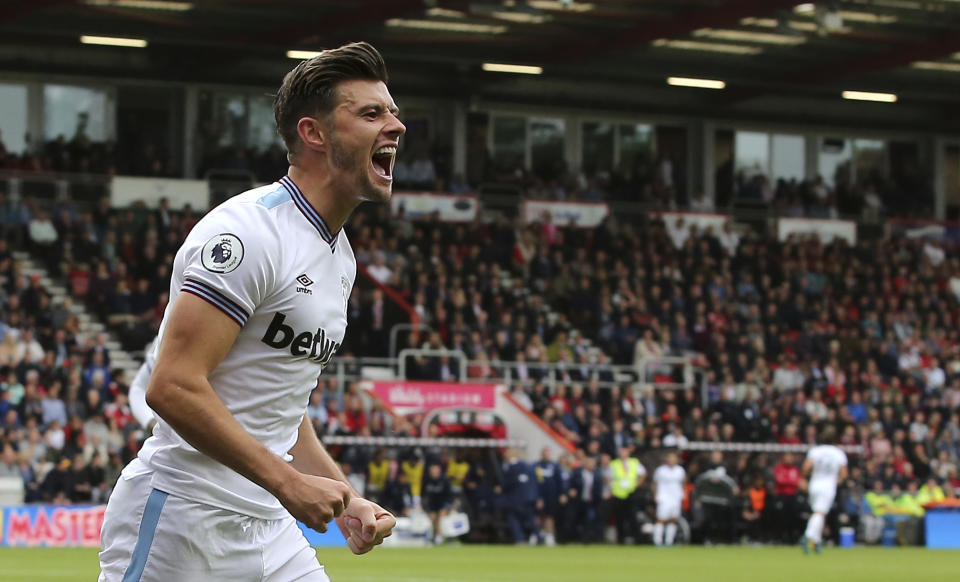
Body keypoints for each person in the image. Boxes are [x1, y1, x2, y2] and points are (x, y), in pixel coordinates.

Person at [98, 42, 405, 582]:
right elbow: (172, 386)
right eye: (371, 113)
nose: (395, 126)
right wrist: (288, 483)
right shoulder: (248, 233)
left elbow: (281, 403)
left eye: (393, 112)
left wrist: (346, 498)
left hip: (271, 528)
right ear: (313, 133)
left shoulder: (341, 256)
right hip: (186, 522)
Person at [801, 436, 848, 554]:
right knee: (820, 513)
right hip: (828, 485)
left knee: (819, 513)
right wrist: (836, 481)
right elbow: (844, 474)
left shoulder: (815, 451)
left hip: (814, 483)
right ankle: (808, 535)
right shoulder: (838, 453)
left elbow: (806, 467)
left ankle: (816, 541)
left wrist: (804, 478)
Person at [609, 446, 645, 544]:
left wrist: (637, 484)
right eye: (621, 452)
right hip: (618, 494)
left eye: (625, 452)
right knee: (619, 518)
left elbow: (643, 474)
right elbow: (608, 477)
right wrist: (611, 489)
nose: (623, 454)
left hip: (631, 493)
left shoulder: (634, 462)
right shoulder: (614, 464)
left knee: (633, 517)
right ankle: (620, 539)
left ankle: (637, 539)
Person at [652, 451, 686, 546]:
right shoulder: (660, 470)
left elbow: (683, 482)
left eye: (673, 458)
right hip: (664, 497)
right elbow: (654, 483)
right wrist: (656, 495)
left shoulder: (680, 470)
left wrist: (682, 494)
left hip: (675, 497)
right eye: (670, 458)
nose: (672, 460)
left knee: (673, 519)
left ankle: (669, 541)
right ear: (666, 459)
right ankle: (657, 541)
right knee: (661, 519)